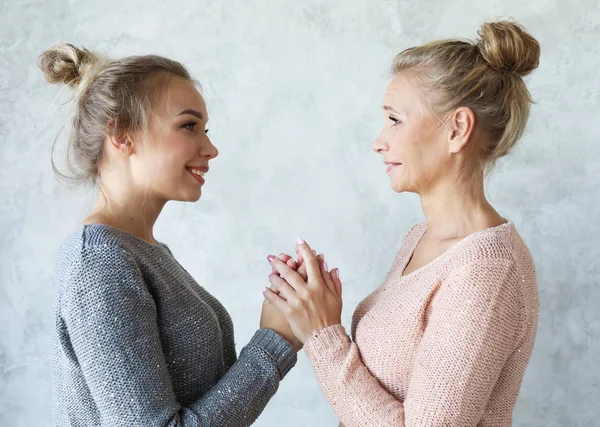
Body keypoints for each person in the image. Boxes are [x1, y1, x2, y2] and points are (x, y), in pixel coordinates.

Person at [265, 20, 541, 426]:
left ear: (457, 129)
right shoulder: (421, 238)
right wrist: (320, 308)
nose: (379, 141)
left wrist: (323, 335)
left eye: (395, 120)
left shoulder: (486, 271)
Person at [42, 44, 300, 426]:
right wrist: (276, 344)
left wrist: (282, 323)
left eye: (205, 129)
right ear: (121, 134)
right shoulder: (98, 263)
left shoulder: (141, 252)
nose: (210, 149)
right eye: (189, 126)